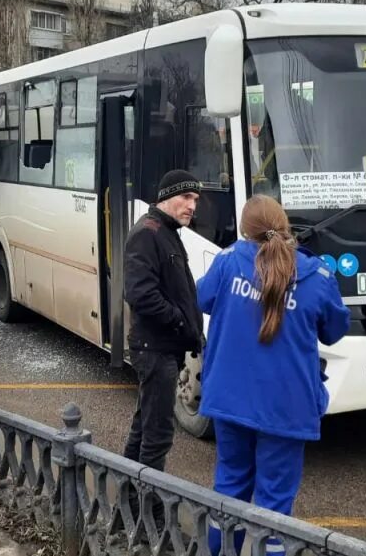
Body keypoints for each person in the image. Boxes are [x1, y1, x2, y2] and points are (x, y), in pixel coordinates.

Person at [195, 195, 350, 554]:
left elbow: (201, 298)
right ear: (285, 226)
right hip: (286, 407)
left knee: (229, 490)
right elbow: (334, 330)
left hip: (230, 400)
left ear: (245, 232)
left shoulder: (229, 262)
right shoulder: (317, 276)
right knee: (275, 507)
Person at [122, 169, 205, 472]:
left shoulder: (166, 231)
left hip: (163, 347)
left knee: (144, 428)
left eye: (195, 199)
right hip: (154, 348)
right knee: (157, 435)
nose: (192, 205)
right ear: (167, 196)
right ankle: (150, 511)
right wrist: (181, 323)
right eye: (186, 197)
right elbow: (140, 294)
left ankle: (129, 500)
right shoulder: (148, 233)